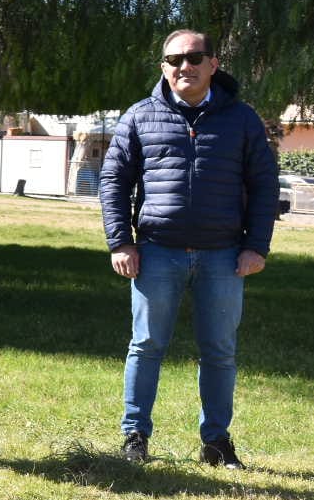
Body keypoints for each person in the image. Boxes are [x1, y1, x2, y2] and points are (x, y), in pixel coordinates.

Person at [100, 29, 278, 469]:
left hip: (223, 255)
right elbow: (113, 182)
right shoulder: (139, 116)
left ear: (214, 63)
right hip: (157, 251)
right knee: (146, 346)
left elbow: (264, 186)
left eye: (195, 57)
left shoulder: (242, 119)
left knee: (219, 351)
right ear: (164, 66)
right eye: (174, 59)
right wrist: (121, 241)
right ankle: (134, 438)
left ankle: (216, 443)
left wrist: (256, 247)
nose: (185, 66)